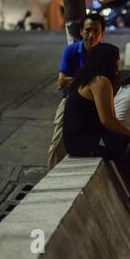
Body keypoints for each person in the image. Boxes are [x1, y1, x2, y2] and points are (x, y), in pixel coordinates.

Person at [63, 43, 130, 231]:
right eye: (117, 59)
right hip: (86, 141)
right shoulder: (101, 82)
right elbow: (108, 120)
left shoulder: (88, 79)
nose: (119, 63)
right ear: (109, 62)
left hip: (81, 139)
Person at [47, 13, 107, 171]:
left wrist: (76, 80)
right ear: (81, 31)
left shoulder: (105, 54)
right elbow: (61, 82)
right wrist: (90, 82)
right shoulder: (72, 50)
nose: (91, 35)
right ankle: (51, 173)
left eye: (96, 30)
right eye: (87, 30)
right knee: (58, 141)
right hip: (71, 102)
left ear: (103, 33)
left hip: (95, 104)